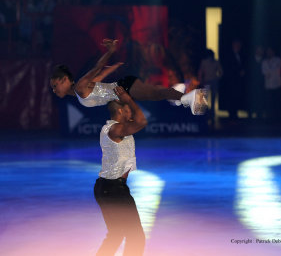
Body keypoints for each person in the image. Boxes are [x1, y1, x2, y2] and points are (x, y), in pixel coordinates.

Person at [50, 38, 207, 115]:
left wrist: (110, 52)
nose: (54, 90)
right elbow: (101, 75)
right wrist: (114, 68)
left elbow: (97, 68)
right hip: (122, 89)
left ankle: (189, 96)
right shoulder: (80, 91)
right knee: (155, 94)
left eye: (55, 85)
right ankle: (176, 93)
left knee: (156, 94)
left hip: (124, 87)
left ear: (64, 80)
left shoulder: (79, 86)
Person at [94, 86, 146, 256]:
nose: (131, 112)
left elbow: (137, 121)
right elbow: (142, 122)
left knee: (116, 234)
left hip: (107, 188)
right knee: (136, 236)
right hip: (113, 189)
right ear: (121, 111)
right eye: (128, 109)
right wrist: (128, 100)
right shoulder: (115, 129)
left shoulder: (117, 127)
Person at [197, 49, 223, 122]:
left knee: (209, 98)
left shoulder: (207, 62)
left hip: (208, 81)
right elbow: (221, 72)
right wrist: (217, 78)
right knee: (209, 98)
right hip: (210, 81)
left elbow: (200, 72)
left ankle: (209, 113)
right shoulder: (210, 62)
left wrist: (200, 80)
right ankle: (210, 113)